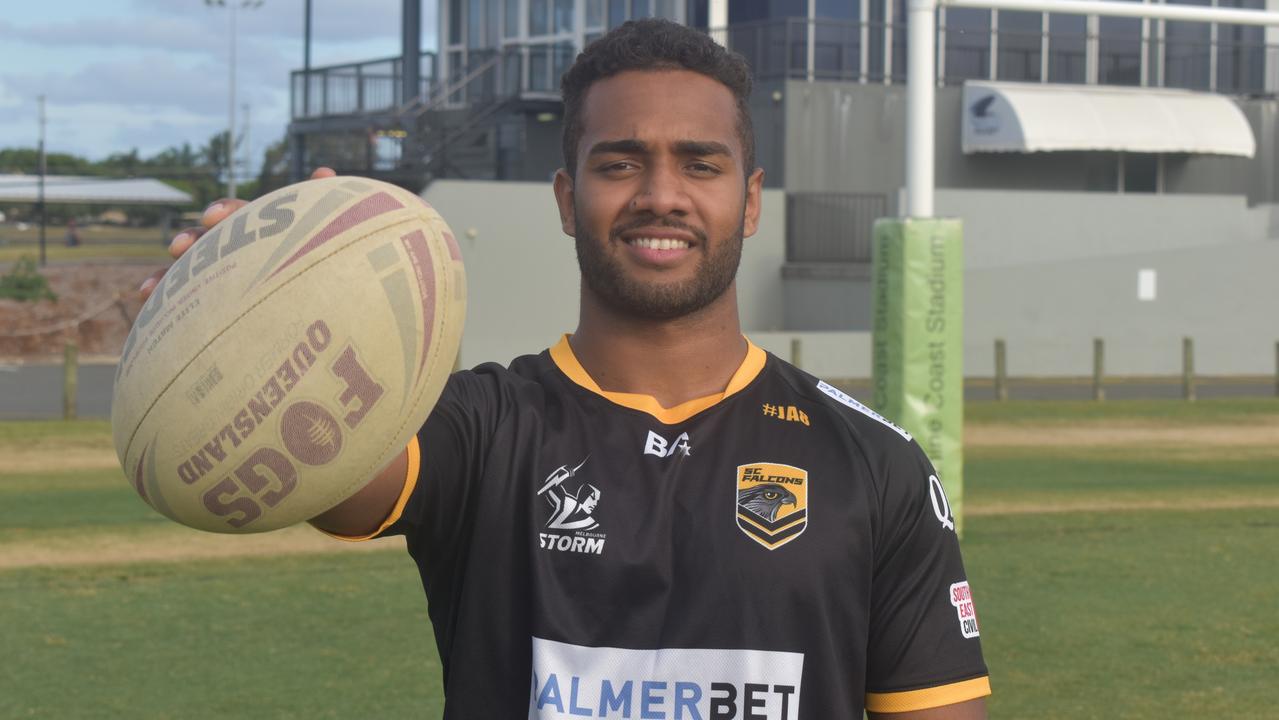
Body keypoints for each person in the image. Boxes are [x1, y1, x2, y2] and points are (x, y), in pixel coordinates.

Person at [146, 19, 989, 719]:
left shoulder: (873, 464)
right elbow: (331, 476)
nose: (661, 194)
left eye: (700, 164)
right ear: (563, 198)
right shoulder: (481, 427)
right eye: (619, 163)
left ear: (752, 198)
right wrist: (240, 333)